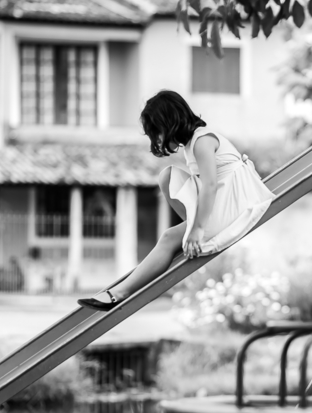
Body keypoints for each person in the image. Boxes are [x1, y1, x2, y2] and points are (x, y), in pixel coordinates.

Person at [78, 90, 274, 310]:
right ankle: (191, 232)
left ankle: (119, 293)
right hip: (227, 201)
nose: (158, 139)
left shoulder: (202, 140)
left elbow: (210, 186)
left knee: (169, 237)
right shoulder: (193, 143)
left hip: (235, 203)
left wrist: (198, 229)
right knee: (168, 176)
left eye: (157, 132)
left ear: (169, 122)